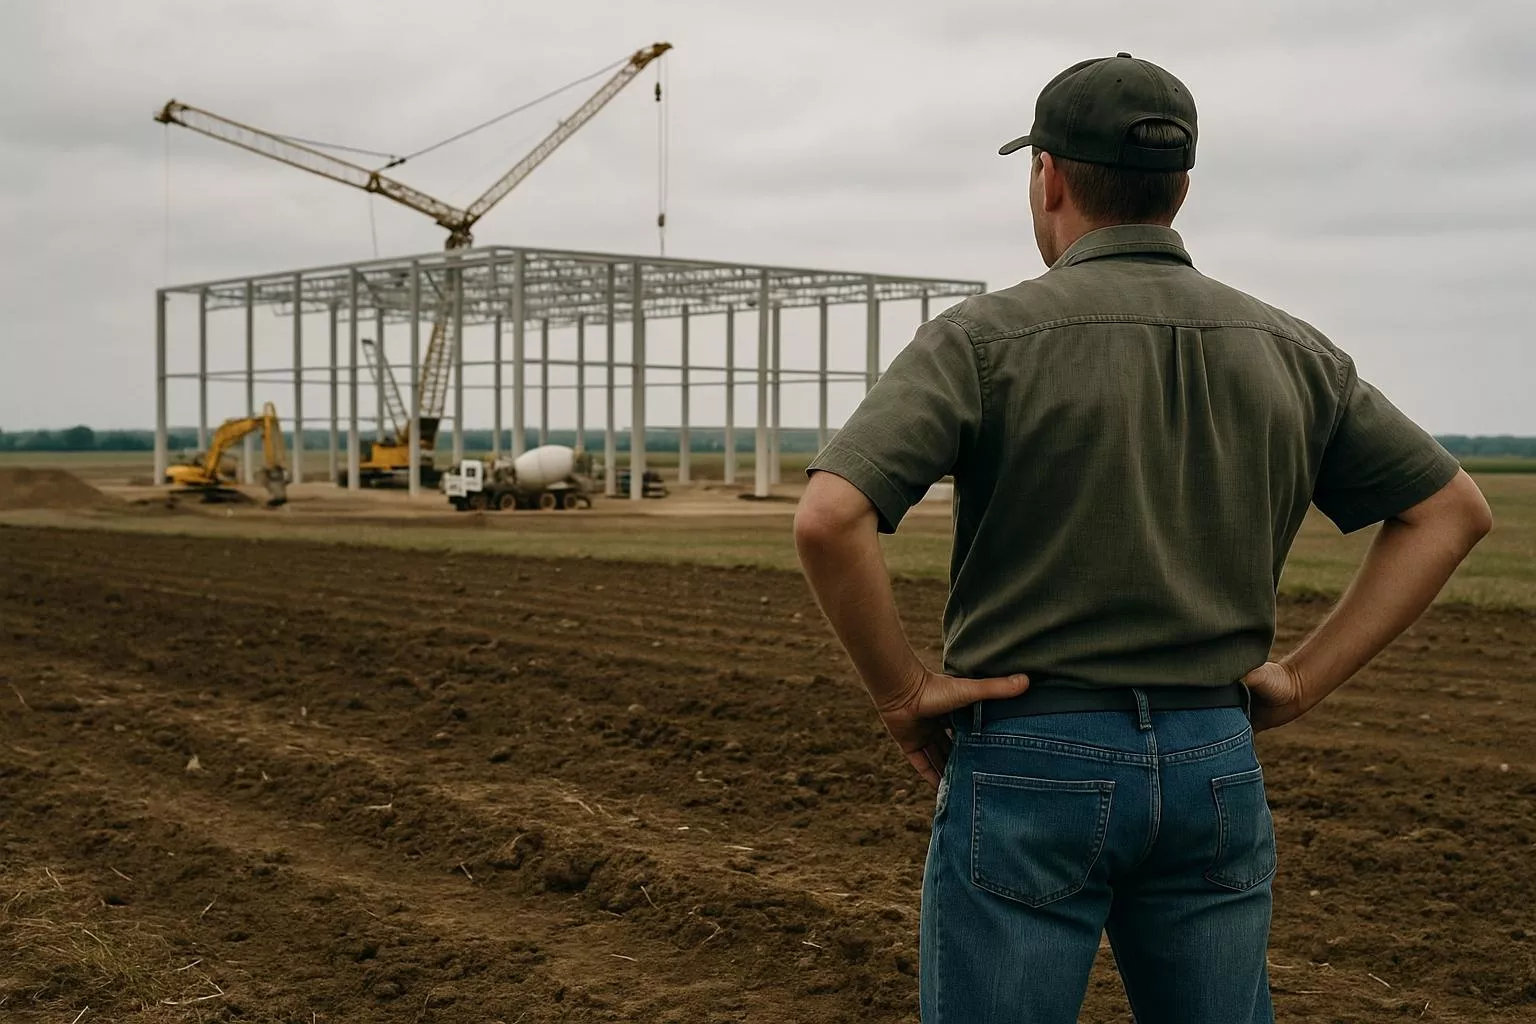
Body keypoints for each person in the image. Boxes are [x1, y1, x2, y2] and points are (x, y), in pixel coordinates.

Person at [793, 52, 1492, 1024]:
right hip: (1215, 754)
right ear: (1182, 187)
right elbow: (1451, 511)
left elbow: (831, 516)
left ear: (1048, 176)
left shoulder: (982, 340)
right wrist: (1298, 677)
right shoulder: (1290, 348)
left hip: (1033, 751)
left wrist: (904, 692)